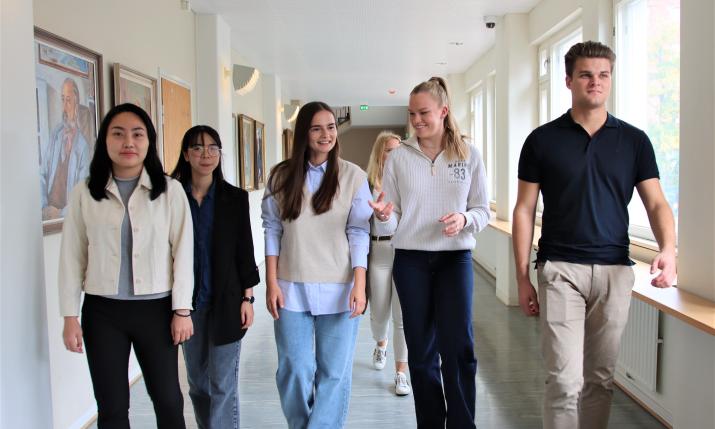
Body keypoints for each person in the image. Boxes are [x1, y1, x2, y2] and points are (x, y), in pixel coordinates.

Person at [512, 41, 677, 429]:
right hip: (560, 269)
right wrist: (522, 276)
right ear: (569, 81)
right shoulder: (542, 140)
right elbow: (523, 209)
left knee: (599, 381)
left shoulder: (634, 141)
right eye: (586, 74)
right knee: (564, 381)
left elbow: (656, 203)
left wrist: (669, 248)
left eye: (603, 75)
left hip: (615, 271)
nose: (596, 82)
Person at [59, 103, 194, 428]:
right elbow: (72, 256)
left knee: (169, 401)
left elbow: (185, 253)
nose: (128, 142)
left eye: (137, 134)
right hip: (103, 313)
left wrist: (182, 310)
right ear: (105, 141)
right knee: (112, 407)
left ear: (149, 141)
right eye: (118, 134)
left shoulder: (170, 192)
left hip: (157, 311)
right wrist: (69, 317)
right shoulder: (85, 193)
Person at [369, 77, 490, 428]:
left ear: (444, 111)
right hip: (411, 262)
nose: (416, 121)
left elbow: (483, 210)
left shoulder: (468, 154)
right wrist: (385, 214)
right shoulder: (400, 157)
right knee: (420, 355)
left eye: (424, 113)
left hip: (455, 259)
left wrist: (464, 218)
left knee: (458, 351)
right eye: (411, 114)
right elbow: (393, 211)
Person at [261, 101, 372, 428]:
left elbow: (359, 230)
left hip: (340, 287)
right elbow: (272, 229)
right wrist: (270, 282)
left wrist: (360, 283)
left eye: (331, 127)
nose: (326, 135)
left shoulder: (353, 176)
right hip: (290, 285)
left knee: (334, 373)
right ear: (304, 134)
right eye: (317, 128)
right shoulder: (281, 176)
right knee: (294, 369)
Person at [171, 125, 260, 429]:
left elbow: (244, 251)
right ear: (186, 155)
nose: (205, 154)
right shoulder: (172, 197)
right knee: (198, 385)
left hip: (225, 301)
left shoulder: (234, 198)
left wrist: (247, 298)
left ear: (220, 154)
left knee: (223, 386)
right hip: (187, 307)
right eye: (197, 148)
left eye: (212, 148)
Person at [364, 131, 411, 396]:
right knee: (379, 314)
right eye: (389, 150)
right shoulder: (367, 182)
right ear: (380, 154)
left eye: (398, 149)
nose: (394, 154)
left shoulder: (406, 181)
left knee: (402, 317)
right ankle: (380, 343)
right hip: (378, 252)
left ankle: (401, 372)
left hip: (403, 251)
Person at [41, 77, 94, 220]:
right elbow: (42, 175)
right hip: (47, 212)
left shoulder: (82, 146)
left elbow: (83, 194)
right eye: (62, 99)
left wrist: (60, 213)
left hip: (66, 217)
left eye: (68, 100)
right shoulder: (55, 134)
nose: (64, 107)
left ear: (76, 103)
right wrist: (43, 206)